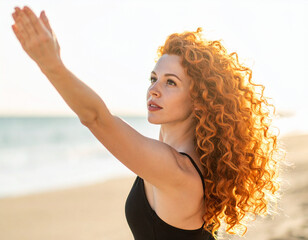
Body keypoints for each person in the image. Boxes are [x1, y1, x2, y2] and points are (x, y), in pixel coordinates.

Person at [11, 6, 285, 240]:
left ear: (199, 100)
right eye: (153, 78)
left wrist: (52, 65)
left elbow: (96, 118)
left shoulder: (178, 172)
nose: (154, 89)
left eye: (170, 82)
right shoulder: (170, 158)